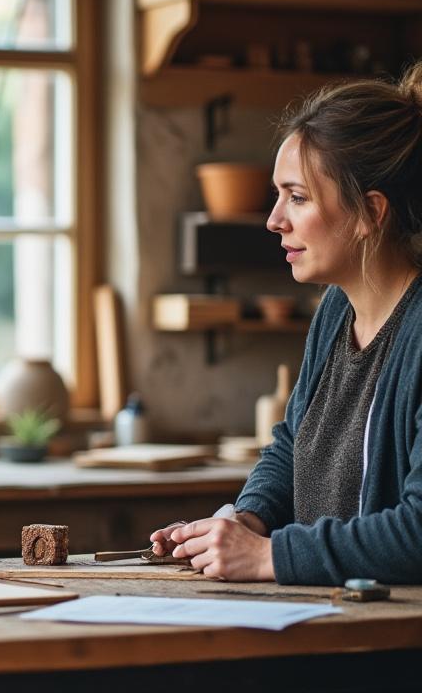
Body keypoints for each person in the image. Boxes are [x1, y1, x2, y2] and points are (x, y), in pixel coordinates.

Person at [149, 65, 422, 585]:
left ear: (370, 212)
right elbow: (291, 447)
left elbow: (418, 531)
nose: (274, 219)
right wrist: (242, 522)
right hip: (330, 620)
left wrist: (269, 557)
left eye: (297, 197)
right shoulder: (335, 312)